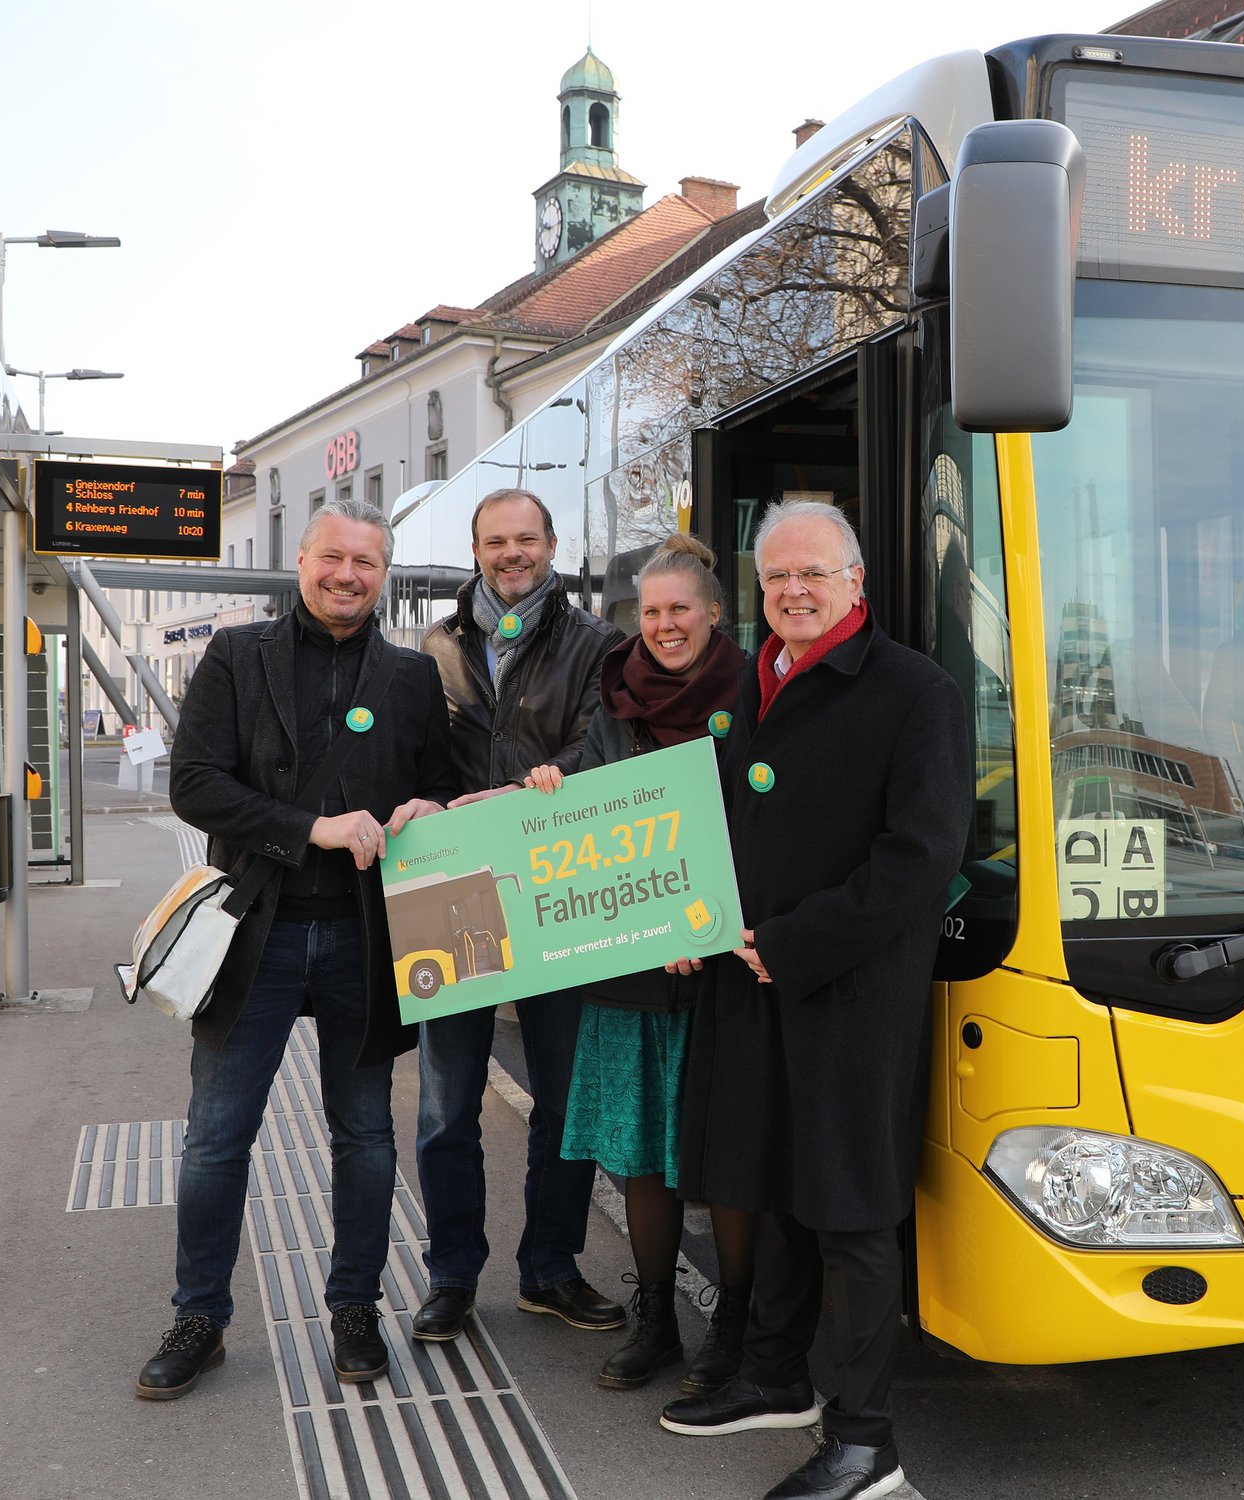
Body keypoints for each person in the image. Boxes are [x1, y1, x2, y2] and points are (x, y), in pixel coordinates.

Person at [660, 500, 972, 1500]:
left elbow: (921, 857)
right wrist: (687, 920)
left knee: (850, 1214)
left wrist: (790, 946)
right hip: (757, 986)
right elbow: (719, 822)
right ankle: (774, 1376)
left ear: (855, 584)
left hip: (845, 997)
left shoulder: (912, 691)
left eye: (814, 575)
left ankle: (865, 1443)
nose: (793, 591)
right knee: (774, 1186)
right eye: (777, 578)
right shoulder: (756, 682)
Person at [136, 496, 456, 1399]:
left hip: (366, 937)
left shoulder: (413, 678)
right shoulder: (238, 657)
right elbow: (195, 786)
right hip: (257, 934)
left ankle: (354, 1308)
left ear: (384, 573)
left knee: (364, 1135)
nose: (348, 576)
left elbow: (436, 785)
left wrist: (427, 807)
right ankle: (200, 1316)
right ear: (304, 560)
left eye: (366, 563)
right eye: (333, 558)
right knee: (215, 1139)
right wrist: (311, 828)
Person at [521, 532, 758, 1393]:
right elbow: (585, 796)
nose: (663, 626)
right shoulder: (614, 699)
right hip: (631, 964)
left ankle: (733, 1329)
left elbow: (767, 828)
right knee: (641, 1152)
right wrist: (550, 782)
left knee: (726, 1153)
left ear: (713, 614)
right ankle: (657, 1317)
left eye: (679, 611)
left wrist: (712, 921)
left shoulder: (756, 692)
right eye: (651, 611)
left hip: (722, 967)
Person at [412, 487, 626, 1341]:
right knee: (444, 1103)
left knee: (565, 1099)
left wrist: (559, 776)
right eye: (497, 541)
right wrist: (419, 804)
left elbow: (604, 743)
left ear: (550, 544)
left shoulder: (596, 644)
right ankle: (452, 1275)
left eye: (527, 539)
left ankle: (551, 1269)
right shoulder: (434, 647)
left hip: (555, 881)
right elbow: (414, 755)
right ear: (477, 550)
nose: (513, 554)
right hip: (452, 886)